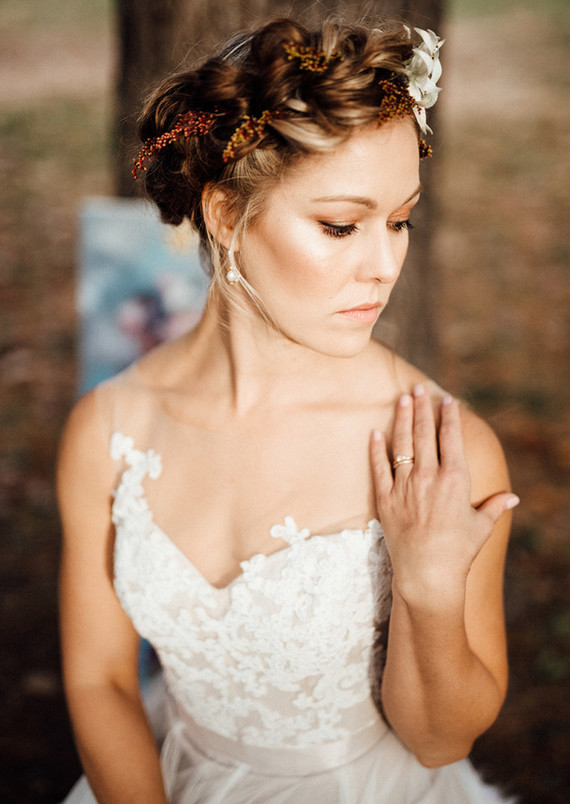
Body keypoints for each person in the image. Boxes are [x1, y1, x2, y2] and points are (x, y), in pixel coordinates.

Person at [58, 17, 520, 804]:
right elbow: (101, 679)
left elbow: (440, 738)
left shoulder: (443, 450)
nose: (384, 264)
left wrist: (429, 586)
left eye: (400, 220)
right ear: (226, 216)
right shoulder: (109, 430)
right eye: (341, 225)